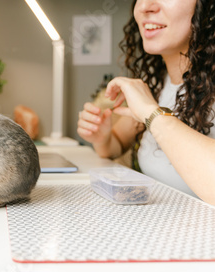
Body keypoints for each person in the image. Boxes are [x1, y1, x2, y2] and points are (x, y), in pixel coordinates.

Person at [77, 0, 215, 205]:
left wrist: (152, 113)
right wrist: (102, 137)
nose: (144, 7)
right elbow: (114, 146)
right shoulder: (157, 82)